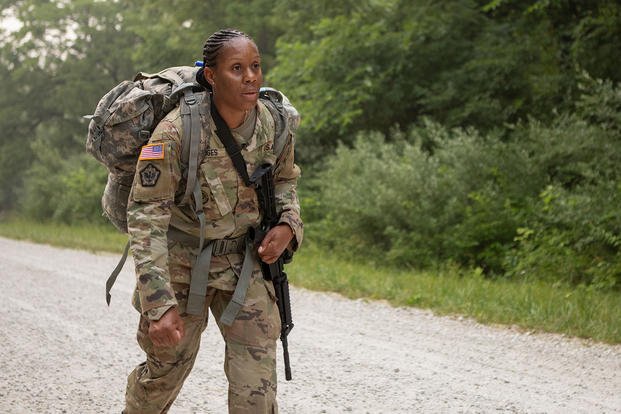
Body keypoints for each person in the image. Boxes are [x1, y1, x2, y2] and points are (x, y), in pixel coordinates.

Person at [123, 28, 303, 414]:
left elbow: (286, 180)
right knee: (164, 374)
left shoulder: (274, 123)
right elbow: (146, 217)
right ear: (211, 75)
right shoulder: (176, 132)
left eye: (255, 66)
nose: (251, 76)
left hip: (246, 263)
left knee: (256, 385)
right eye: (237, 68)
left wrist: (288, 225)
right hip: (182, 264)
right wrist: (158, 304)